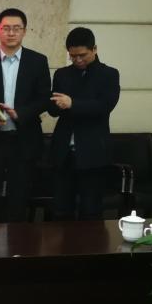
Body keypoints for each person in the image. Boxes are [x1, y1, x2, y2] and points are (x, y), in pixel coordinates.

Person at [0, 8, 51, 223]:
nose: (11, 33)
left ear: (24, 31)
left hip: (24, 140)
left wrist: (20, 113)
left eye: (16, 28)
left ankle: (17, 243)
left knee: (19, 200)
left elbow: (44, 98)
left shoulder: (38, 61)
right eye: (6, 28)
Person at [47, 27, 120, 220]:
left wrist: (73, 103)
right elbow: (52, 110)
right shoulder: (62, 74)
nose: (78, 60)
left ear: (94, 49)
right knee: (61, 209)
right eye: (73, 56)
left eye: (82, 55)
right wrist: (56, 104)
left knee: (90, 210)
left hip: (92, 152)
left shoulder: (109, 74)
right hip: (63, 152)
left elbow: (105, 106)